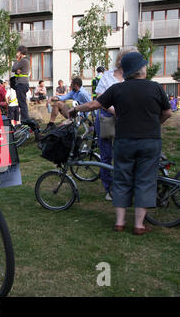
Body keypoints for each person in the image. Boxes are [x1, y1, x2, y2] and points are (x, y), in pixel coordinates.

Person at [68, 52, 172, 235]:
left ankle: (120, 222)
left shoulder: (118, 89)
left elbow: (94, 105)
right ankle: (139, 225)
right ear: (141, 69)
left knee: (122, 179)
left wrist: (75, 109)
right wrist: (156, 124)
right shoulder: (155, 88)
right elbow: (167, 113)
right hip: (150, 141)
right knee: (145, 180)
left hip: (124, 141)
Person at [95, 47, 138, 201]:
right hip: (107, 118)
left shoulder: (133, 77)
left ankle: (123, 185)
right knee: (106, 154)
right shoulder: (107, 77)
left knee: (124, 153)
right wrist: (114, 110)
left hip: (126, 119)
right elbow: (99, 98)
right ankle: (109, 188)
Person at [11, 45, 30, 121]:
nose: (17, 53)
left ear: (20, 53)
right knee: (22, 103)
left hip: (21, 83)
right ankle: (24, 119)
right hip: (23, 83)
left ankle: (25, 120)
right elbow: (16, 70)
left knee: (22, 103)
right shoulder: (25, 61)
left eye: (18, 52)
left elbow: (13, 68)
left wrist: (16, 60)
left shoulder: (23, 61)